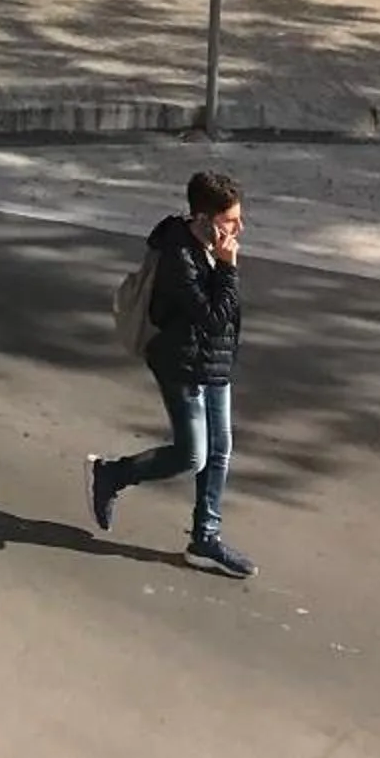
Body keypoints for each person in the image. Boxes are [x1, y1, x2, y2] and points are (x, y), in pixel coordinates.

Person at [88, 169, 254, 578]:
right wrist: (228, 269)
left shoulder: (210, 246)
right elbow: (215, 317)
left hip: (213, 362)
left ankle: (205, 538)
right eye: (230, 220)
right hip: (181, 365)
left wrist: (224, 268)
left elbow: (224, 316)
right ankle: (113, 473)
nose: (240, 228)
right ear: (203, 218)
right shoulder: (178, 257)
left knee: (220, 451)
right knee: (192, 454)